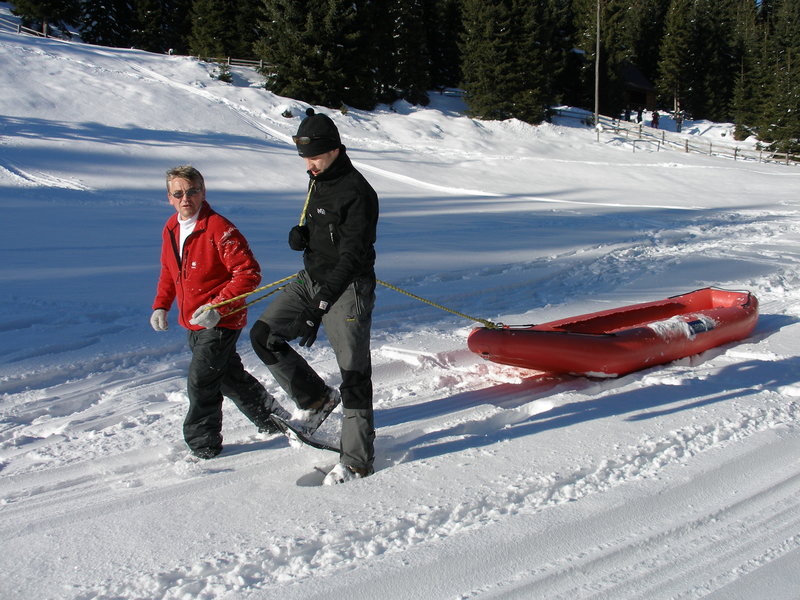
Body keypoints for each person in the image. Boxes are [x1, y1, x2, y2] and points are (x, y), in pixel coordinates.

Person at [250, 109, 379, 485]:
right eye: (304, 157)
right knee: (264, 336)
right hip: (311, 278)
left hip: (348, 287)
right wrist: (305, 237)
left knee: (354, 373)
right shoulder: (317, 179)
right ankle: (316, 400)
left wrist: (320, 305)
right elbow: (325, 227)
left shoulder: (359, 192)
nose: (309, 164)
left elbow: (352, 255)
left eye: (315, 156)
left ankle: (357, 460)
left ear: (336, 149)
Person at [150, 165, 288, 459]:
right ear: (169, 198)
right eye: (179, 193)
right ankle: (275, 420)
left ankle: (203, 445)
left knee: (201, 380)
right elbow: (168, 272)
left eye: (192, 191)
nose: (186, 198)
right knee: (229, 378)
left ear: (203, 192)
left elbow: (248, 273)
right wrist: (162, 304)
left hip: (221, 321)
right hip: (193, 322)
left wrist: (218, 306)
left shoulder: (219, 229)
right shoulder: (171, 228)